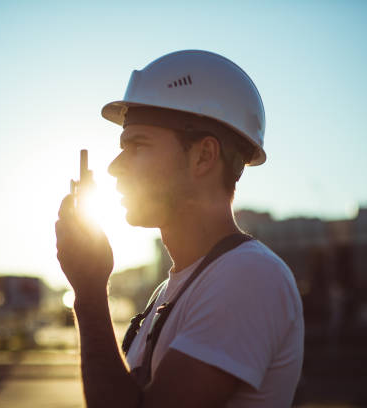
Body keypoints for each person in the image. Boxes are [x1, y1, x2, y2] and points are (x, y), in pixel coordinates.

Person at [55, 50, 304, 408]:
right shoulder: (172, 290)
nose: (114, 166)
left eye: (137, 146)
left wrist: (91, 292)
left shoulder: (249, 276)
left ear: (203, 156)